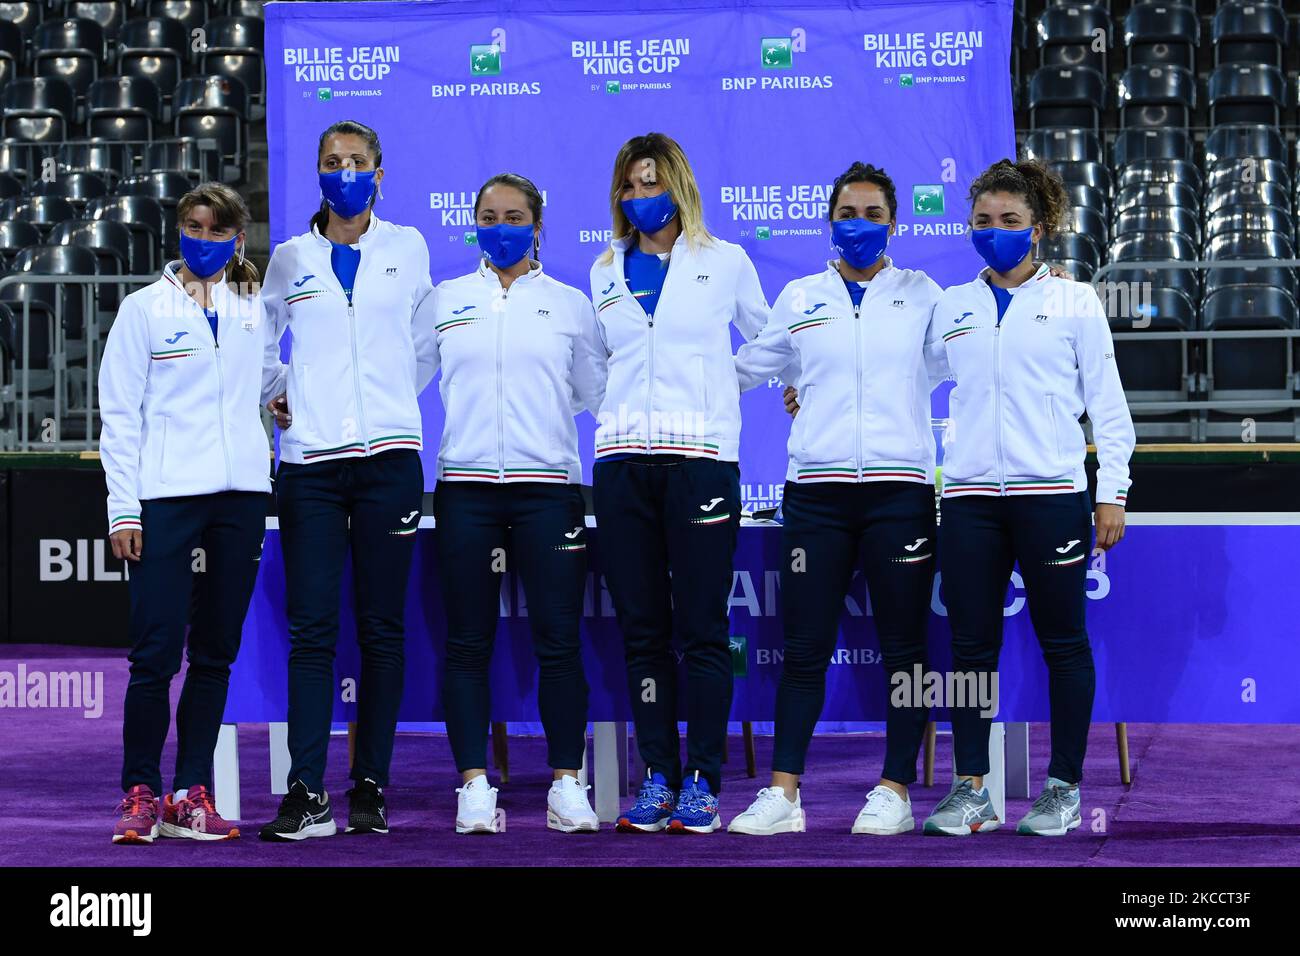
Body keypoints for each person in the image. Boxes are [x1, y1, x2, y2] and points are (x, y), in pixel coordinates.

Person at [724, 162, 946, 836]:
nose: (859, 225)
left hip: (899, 493)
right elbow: (747, 370)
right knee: (804, 649)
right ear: (830, 219)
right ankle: (784, 794)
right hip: (816, 497)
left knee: (905, 650)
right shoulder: (798, 298)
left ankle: (896, 790)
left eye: (873, 213)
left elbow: (959, 370)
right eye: (848, 212)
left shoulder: (924, 295)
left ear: (893, 224)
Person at [921, 158, 1134, 836]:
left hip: (1052, 497)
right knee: (969, 649)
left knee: (1064, 643)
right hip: (970, 501)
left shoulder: (1075, 302)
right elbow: (899, 380)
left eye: (1009, 222)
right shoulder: (952, 306)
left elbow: (1109, 404)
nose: (995, 232)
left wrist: (1114, 492)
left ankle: (1063, 788)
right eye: (983, 221)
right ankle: (971, 791)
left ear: (1037, 230)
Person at [257, 120, 437, 841]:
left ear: (380, 174)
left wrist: (393, 401)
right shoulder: (289, 258)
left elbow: (424, 345)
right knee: (312, 632)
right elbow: (262, 344)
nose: (344, 171)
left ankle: (370, 786)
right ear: (319, 173)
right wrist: (281, 395)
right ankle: (306, 792)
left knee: (383, 629)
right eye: (332, 162)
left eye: (357, 162)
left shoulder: (408, 247)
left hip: (391, 460)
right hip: (311, 468)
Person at [589, 132, 770, 833]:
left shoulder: (723, 262)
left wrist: (727, 382)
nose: (641, 196)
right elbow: (594, 361)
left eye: (651, 182)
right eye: (630, 186)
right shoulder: (605, 268)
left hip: (701, 461)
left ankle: (703, 777)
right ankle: (658, 774)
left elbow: (770, 339)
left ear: (680, 185)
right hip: (622, 465)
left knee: (700, 630)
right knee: (642, 632)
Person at [420, 173, 607, 834]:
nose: (502, 227)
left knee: (558, 641)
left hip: (547, 491)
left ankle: (566, 782)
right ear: (474, 223)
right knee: (466, 643)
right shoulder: (445, 299)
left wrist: (535, 426)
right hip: (465, 489)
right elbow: (401, 376)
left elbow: (591, 390)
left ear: (537, 224)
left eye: (515, 215)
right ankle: (474, 783)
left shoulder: (570, 304)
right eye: (489, 216)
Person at [100, 183, 279, 843]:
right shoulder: (142, 309)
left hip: (240, 496)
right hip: (165, 498)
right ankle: (140, 791)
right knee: (154, 654)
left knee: (215, 655)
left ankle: (190, 792)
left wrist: (287, 393)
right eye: (193, 227)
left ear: (237, 239)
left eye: (217, 230)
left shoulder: (252, 307)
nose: (203, 239)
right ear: (179, 232)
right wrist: (124, 509)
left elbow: (264, 380)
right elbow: (119, 415)